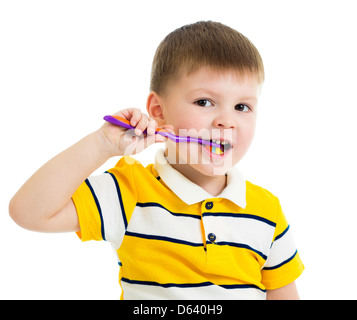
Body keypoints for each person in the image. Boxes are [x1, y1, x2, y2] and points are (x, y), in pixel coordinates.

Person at [9, 21, 304, 300]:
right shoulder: (130, 191)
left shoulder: (267, 211)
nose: (227, 121)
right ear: (158, 110)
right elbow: (29, 212)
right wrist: (102, 144)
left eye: (242, 106)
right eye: (204, 102)